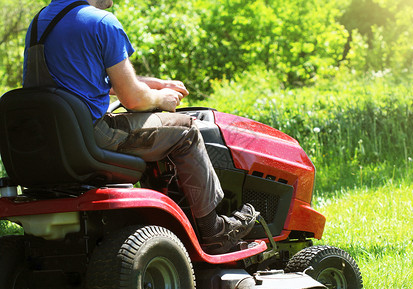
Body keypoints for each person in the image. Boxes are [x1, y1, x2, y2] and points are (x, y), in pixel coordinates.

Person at [22, 0, 258, 254]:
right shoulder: (102, 22)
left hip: (46, 142)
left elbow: (89, 81)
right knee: (187, 130)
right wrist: (161, 98)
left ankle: (168, 222)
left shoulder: (41, 23)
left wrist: (157, 83)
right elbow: (133, 100)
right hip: (91, 135)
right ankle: (214, 231)